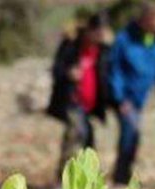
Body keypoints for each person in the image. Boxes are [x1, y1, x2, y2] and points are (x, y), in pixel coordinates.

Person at [109, 3, 155, 185]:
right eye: (153, 21)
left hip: (140, 98)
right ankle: (121, 177)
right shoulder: (124, 39)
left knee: (135, 136)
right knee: (130, 133)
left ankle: (125, 174)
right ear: (144, 20)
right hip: (125, 98)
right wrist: (120, 98)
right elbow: (115, 70)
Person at [47, 14, 112, 176]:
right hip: (72, 101)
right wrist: (69, 73)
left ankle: (86, 177)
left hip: (89, 105)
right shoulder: (71, 46)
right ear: (89, 30)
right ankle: (64, 175)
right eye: (97, 32)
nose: (100, 36)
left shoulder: (102, 50)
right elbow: (56, 69)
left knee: (88, 140)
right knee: (77, 132)